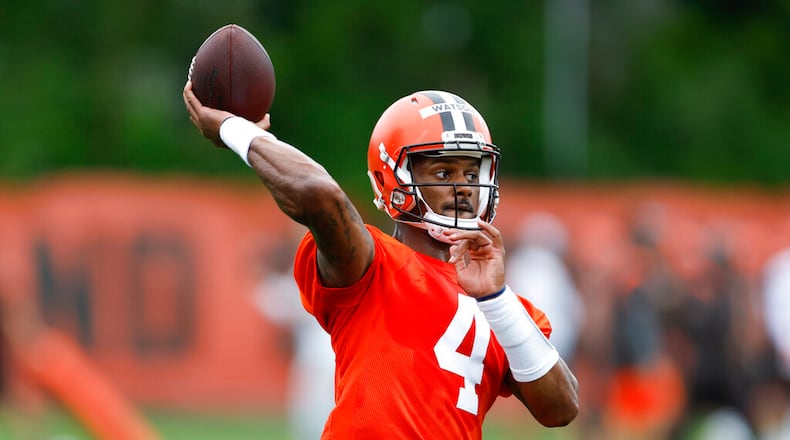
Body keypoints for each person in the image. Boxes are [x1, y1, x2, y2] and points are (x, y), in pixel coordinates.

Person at [183, 84, 579, 438]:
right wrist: (235, 130)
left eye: (472, 174)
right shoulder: (372, 264)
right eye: (444, 173)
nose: (463, 189)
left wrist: (496, 298)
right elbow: (318, 194)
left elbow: (561, 409)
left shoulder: (504, 307)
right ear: (394, 178)